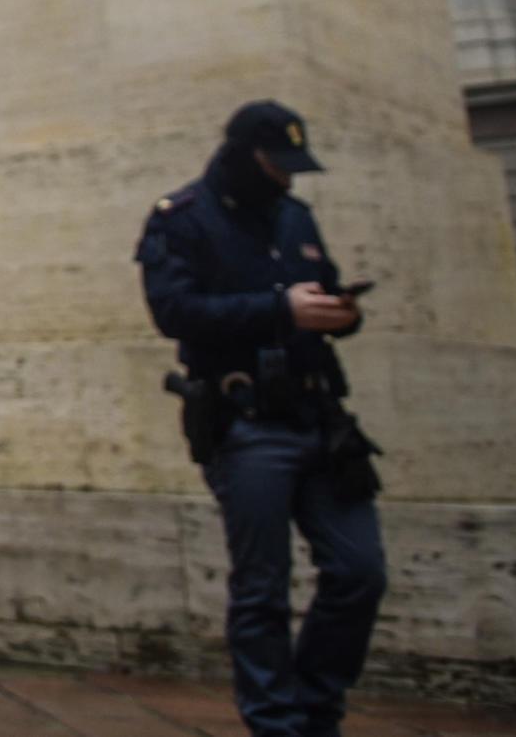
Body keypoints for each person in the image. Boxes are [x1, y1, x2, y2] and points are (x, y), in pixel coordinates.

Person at [138, 101, 383, 737]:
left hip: (320, 418)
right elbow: (175, 313)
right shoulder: (181, 219)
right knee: (262, 588)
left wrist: (341, 315)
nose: (287, 178)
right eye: (278, 164)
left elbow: (319, 293)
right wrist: (280, 309)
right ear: (246, 155)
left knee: (360, 571)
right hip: (245, 422)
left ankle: (316, 706)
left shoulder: (295, 217)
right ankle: (277, 724)